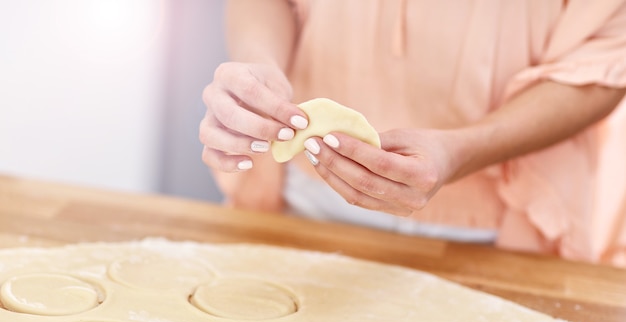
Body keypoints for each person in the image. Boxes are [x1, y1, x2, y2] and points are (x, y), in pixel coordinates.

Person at [199, 0, 626, 266]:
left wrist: (462, 151)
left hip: (494, 230)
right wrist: (259, 68)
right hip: (300, 199)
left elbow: (606, 52)